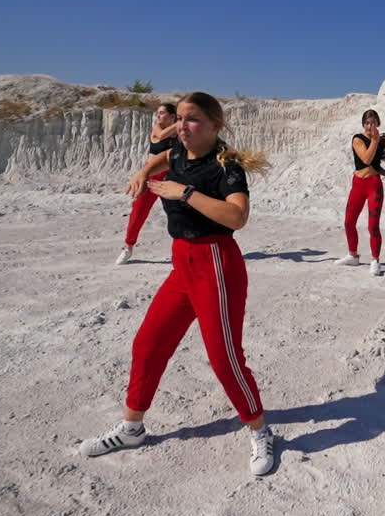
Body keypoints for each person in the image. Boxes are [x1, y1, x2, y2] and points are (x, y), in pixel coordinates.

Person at [80, 92, 276, 476]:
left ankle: (259, 429)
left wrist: (185, 193)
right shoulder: (176, 154)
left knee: (225, 359)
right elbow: (160, 158)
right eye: (180, 120)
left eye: (193, 120)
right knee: (149, 343)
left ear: (216, 126)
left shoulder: (227, 165)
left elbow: (237, 217)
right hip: (181, 265)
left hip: (217, 264)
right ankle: (132, 427)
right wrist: (142, 172)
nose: (182, 127)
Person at [334, 109, 385, 276]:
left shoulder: (378, 141)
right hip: (358, 185)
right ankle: (353, 255)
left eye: (373, 122)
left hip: (374, 186)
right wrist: (375, 140)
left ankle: (375, 260)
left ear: (377, 123)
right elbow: (365, 159)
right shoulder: (357, 139)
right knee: (349, 222)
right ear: (363, 124)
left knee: (373, 226)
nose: (370, 125)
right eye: (367, 123)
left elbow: (374, 164)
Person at [115, 103, 179, 266]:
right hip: (151, 174)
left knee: (179, 212)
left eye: (162, 113)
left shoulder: (180, 131)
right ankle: (128, 247)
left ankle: (182, 250)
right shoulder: (158, 127)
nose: (158, 115)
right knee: (138, 212)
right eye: (157, 113)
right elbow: (163, 136)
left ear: (172, 115)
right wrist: (180, 123)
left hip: (173, 175)